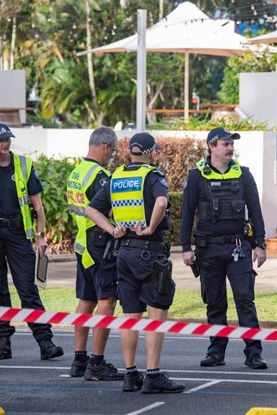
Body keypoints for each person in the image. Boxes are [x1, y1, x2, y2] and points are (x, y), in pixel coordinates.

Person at [85, 132, 185, 394]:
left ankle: (131, 374)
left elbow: (91, 210)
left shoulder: (116, 176)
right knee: (156, 313)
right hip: (149, 252)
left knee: (130, 315)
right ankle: (152, 375)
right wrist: (150, 227)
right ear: (151, 152)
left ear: (131, 152)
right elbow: (162, 201)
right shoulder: (152, 175)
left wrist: (112, 229)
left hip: (123, 254)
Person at [0, 122, 63, 361]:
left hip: (18, 235)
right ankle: (3, 344)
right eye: (0, 141)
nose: (5, 144)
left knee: (28, 288)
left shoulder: (23, 164)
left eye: (7, 140)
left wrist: (41, 237)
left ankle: (45, 342)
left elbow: (38, 206)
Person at [179, 127, 268, 370]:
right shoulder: (197, 176)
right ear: (212, 146)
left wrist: (260, 244)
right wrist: (186, 247)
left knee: (245, 300)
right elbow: (187, 214)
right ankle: (216, 351)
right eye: (225, 143)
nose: (230, 148)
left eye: (231, 144)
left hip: (238, 246)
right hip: (208, 250)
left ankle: (253, 353)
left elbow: (256, 211)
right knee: (215, 303)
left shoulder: (244, 175)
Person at [66, 127, 124, 381]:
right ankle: (97, 363)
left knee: (86, 300)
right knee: (107, 301)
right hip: (100, 244)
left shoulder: (76, 172)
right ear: (104, 146)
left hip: (82, 243)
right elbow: (107, 210)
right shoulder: (100, 176)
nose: (112, 155)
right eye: (112, 150)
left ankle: (80, 360)